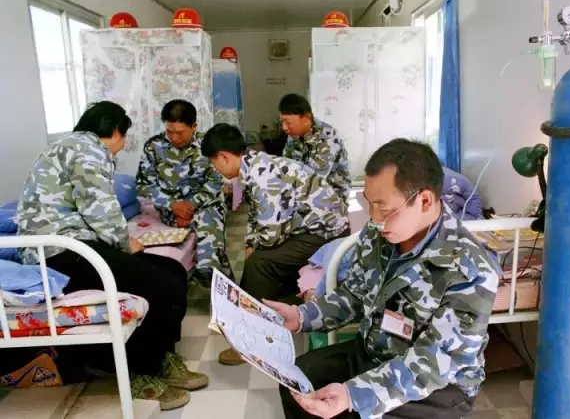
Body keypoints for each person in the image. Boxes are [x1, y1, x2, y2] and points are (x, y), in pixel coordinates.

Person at [265, 139, 500, 419]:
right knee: (296, 381)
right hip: (374, 350)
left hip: (436, 384)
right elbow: (353, 294)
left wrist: (354, 395)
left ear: (424, 200)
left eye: (385, 209)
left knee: (351, 412)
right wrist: (302, 316)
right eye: (369, 203)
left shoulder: (469, 268)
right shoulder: (377, 235)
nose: (374, 219)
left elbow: (435, 362)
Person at [16, 101, 208, 411]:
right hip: (61, 253)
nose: (122, 146)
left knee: (172, 270)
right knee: (158, 284)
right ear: (116, 131)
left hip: (79, 245)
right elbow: (100, 208)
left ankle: (161, 357)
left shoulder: (70, 147)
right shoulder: (86, 150)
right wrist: (125, 242)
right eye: (124, 137)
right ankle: (138, 371)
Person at [200, 123, 350, 366]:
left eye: (213, 162)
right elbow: (257, 217)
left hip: (326, 232)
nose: (214, 168)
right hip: (307, 227)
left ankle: (252, 341)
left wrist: (254, 249)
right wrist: (250, 244)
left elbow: (271, 234)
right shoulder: (253, 165)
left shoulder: (262, 174)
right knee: (256, 256)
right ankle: (263, 316)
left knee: (260, 264)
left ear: (224, 156)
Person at [136, 99, 232, 285]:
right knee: (212, 234)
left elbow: (215, 182)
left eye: (180, 133)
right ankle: (215, 279)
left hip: (205, 205)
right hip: (169, 209)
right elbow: (144, 185)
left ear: (194, 126)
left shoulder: (208, 146)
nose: (174, 138)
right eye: (169, 132)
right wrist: (173, 205)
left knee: (211, 221)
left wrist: (189, 206)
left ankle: (207, 272)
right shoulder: (153, 147)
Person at [279, 93, 351, 205]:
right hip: (303, 189)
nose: (284, 127)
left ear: (306, 118)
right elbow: (285, 164)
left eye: (288, 122)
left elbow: (315, 181)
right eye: (282, 122)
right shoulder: (293, 135)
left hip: (332, 194)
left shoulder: (327, 137)